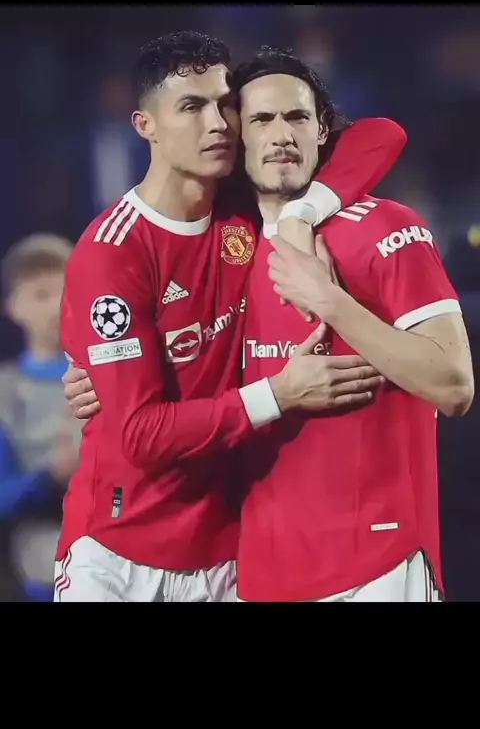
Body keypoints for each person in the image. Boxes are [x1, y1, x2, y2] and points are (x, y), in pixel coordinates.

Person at [57, 31, 406, 602]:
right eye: (191, 107)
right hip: (117, 553)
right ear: (145, 125)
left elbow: (382, 135)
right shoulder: (113, 252)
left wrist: (302, 214)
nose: (218, 123)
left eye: (225, 105)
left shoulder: (244, 208)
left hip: (223, 554)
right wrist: (280, 394)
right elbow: (140, 435)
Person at [233, 47, 474, 601]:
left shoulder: (388, 227)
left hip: (379, 566)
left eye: (297, 117)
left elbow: (454, 384)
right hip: (260, 574)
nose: (281, 135)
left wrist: (330, 300)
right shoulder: (224, 250)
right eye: (261, 120)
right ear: (236, 135)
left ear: (322, 130)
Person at [0, 234, 80, 601]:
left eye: (65, 292)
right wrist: (50, 477)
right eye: (42, 295)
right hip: (42, 551)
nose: (56, 307)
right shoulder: (7, 393)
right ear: (14, 306)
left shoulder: (109, 373)